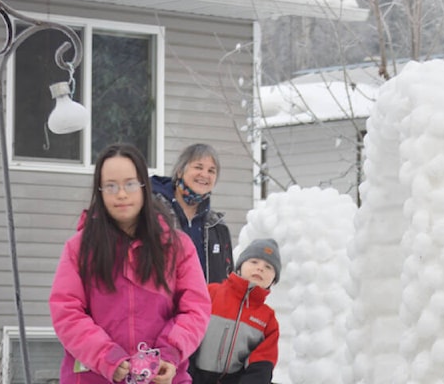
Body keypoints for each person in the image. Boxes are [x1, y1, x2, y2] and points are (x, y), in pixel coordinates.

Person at [49, 143, 211, 384]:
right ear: (100, 191)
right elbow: (66, 311)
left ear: (144, 187)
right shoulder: (79, 248)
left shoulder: (178, 247)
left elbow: (195, 309)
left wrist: (169, 354)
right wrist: (106, 356)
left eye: (130, 184)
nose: (121, 194)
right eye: (111, 186)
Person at [189, 238, 282, 384]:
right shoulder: (211, 293)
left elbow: (262, 364)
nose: (260, 268)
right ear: (239, 266)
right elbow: (188, 332)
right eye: (254, 262)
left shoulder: (267, 319)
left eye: (269, 267)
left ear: (273, 280)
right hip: (194, 377)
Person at [151, 143, 233, 283]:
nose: (205, 175)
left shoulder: (218, 227)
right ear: (179, 171)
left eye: (211, 171)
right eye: (198, 167)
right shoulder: (153, 213)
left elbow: (227, 282)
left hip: (204, 304)